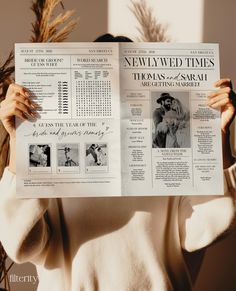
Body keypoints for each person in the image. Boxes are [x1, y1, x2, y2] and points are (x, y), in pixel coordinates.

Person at [0, 34, 236, 291]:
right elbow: (20, 245)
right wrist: (19, 141)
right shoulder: (58, 162)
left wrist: (219, 137)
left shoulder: (167, 158)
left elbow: (211, 225)